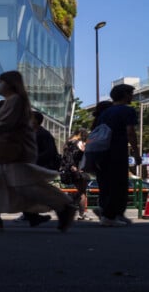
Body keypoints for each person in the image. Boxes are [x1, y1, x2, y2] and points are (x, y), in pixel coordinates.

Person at [0, 71, 76, 231]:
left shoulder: (16, 101)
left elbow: (5, 127)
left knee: (25, 186)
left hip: (13, 153)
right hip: (2, 153)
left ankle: (64, 205)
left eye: (1, 82)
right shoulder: (11, 101)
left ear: (10, 84)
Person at [94, 83, 140, 227]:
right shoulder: (127, 111)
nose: (132, 96)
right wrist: (136, 153)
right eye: (131, 94)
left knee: (107, 183)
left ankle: (110, 212)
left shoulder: (105, 113)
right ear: (126, 95)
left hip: (101, 152)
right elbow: (130, 132)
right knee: (119, 184)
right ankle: (109, 216)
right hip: (117, 151)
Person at [60, 130, 91, 220]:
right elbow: (85, 154)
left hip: (69, 169)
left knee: (79, 191)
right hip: (79, 169)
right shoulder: (79, 143)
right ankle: (80, 213)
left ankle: (69, 208)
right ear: (80, 135)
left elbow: (66, 158)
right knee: (82, 192)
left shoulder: (67, 143)